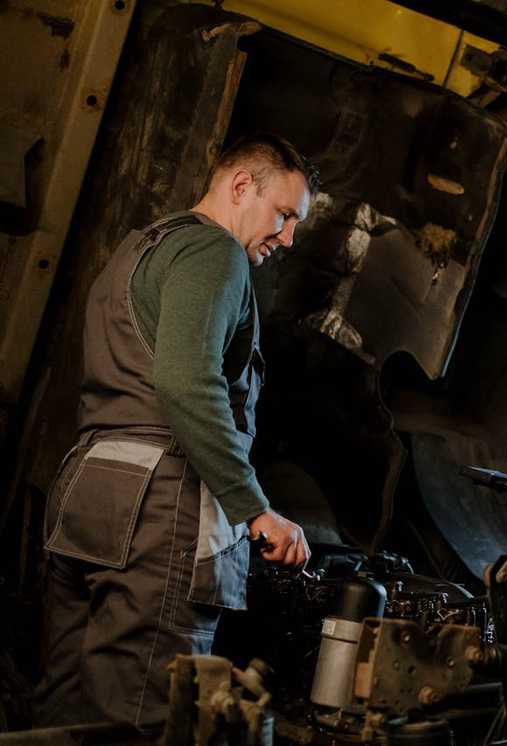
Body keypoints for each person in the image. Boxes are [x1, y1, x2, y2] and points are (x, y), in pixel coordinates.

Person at [34, 133, 317, 731]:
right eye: (285, 214)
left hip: (89, 490)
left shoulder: (141, 247)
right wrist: (255, 509)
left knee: (64, 719)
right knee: (142, 717)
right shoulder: (216, 254)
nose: (287, 237)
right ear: (241, 186)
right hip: (159, 508)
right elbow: (188, 385)